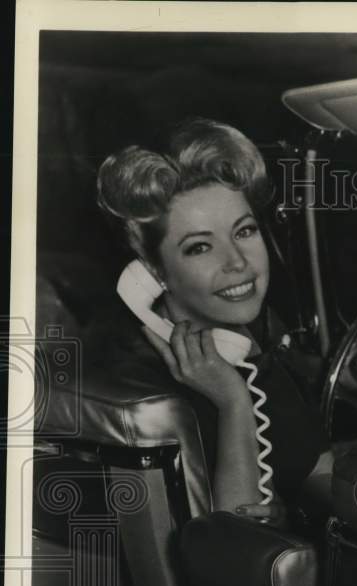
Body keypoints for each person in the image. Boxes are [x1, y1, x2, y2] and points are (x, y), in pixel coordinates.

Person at [95, 118, 332, 526]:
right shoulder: (149, 398)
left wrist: (297, 515)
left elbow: (317, 469)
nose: (238, 262)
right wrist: (234, 402)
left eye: (244, 231)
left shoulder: (255, 338)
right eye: (200, 247)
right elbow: (234, 550)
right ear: (154, 271)